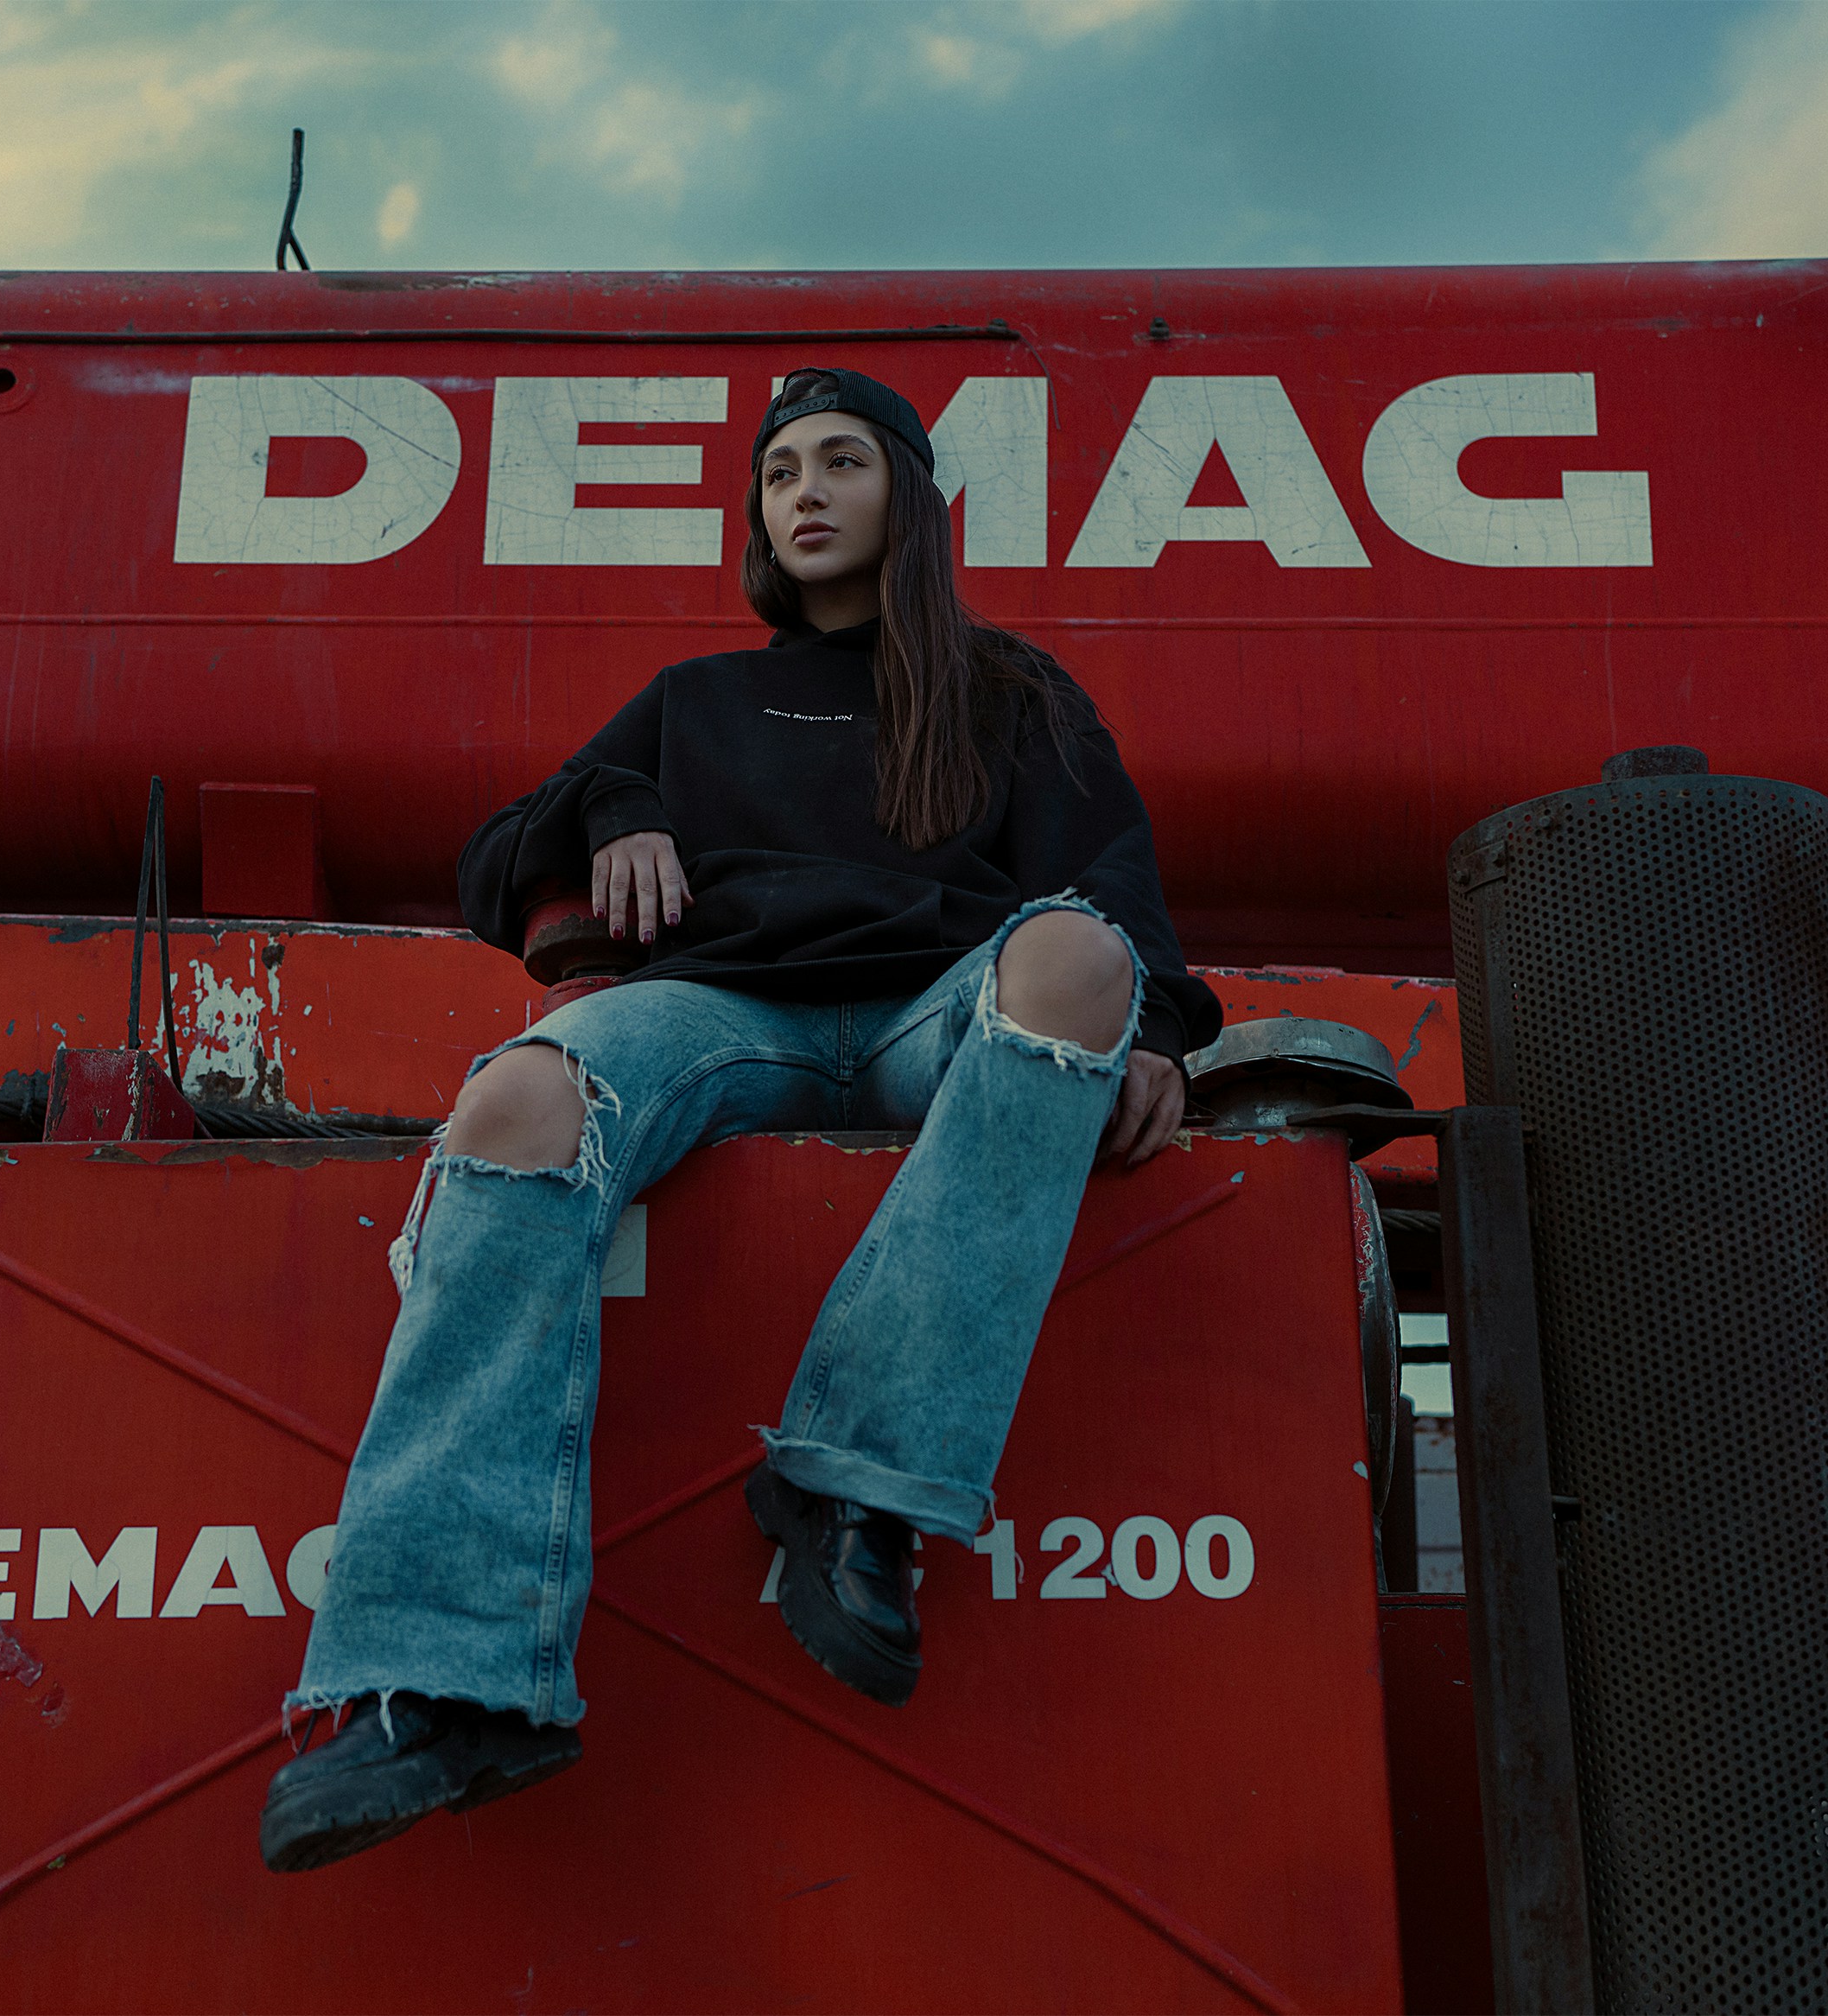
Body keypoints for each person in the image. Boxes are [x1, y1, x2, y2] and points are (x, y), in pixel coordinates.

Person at [257, 368, 1222, 1874]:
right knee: (517, 1098)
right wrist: (612, 811)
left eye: (843, 462)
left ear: (908, 496)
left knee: (1079, 953)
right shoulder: (693, 703)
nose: (808, 493)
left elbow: (1121, 896)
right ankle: (446, 1677)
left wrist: (1148, 1028)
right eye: (781, 474)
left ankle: (853, 1488)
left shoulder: (1011, 691)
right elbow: (490, 865)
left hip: (934, 1013)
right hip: (725, 1018)